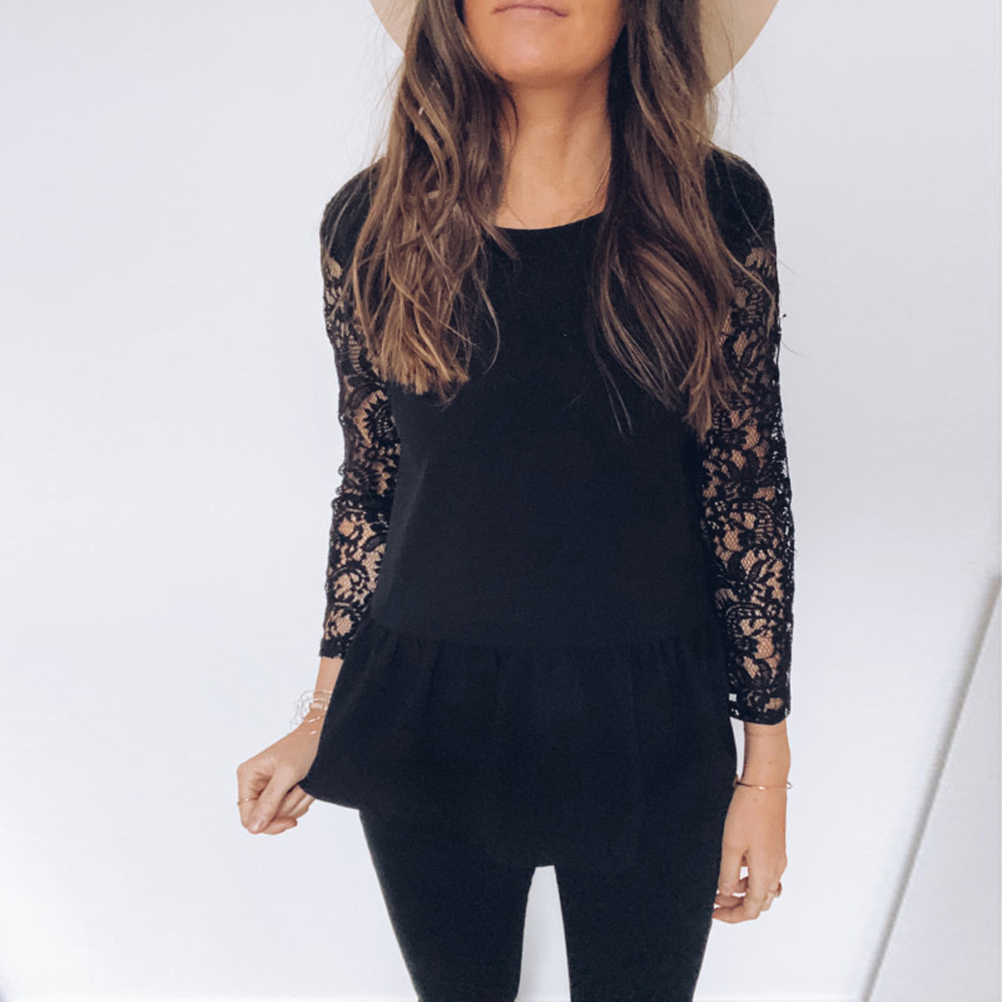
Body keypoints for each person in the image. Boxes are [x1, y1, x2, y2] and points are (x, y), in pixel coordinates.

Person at [237, 0, 795, 997]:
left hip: (655, 724)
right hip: (424, 713)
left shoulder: (716, 210)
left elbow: (745, 488)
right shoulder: (367, 225)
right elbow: (374, 485)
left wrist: (765, 773)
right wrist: (321, 714)